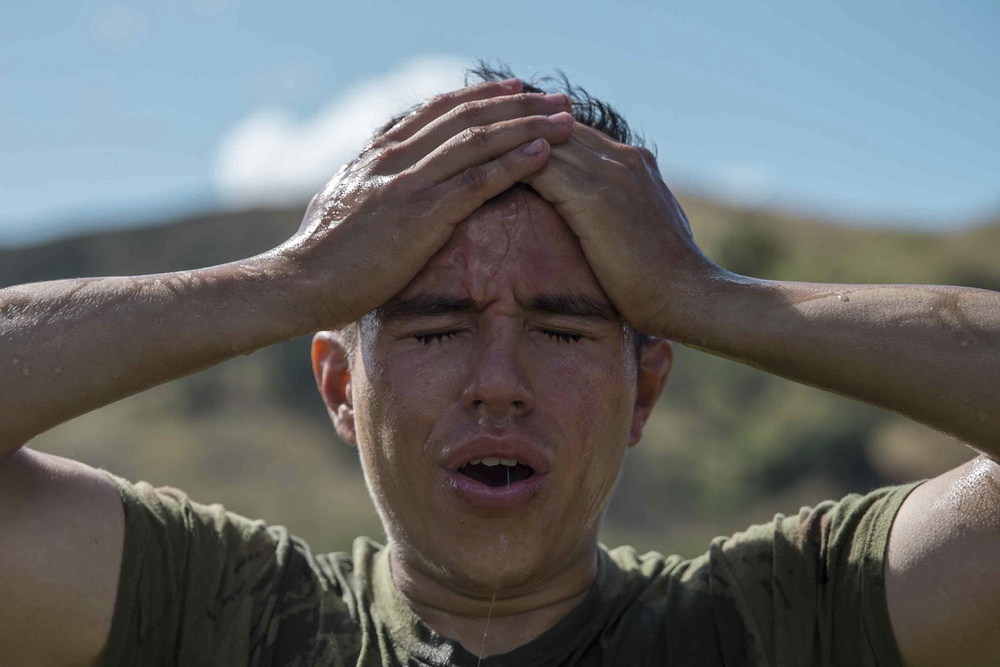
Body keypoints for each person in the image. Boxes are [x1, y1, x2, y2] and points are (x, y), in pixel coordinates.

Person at [0, 65, 998, 667]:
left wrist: (700, 296)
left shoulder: (779, 622)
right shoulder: (211, 612)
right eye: (435, 328)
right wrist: (293, 281)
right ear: (342, 386)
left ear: (645, 386)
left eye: (564, 330)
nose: (498, 380)